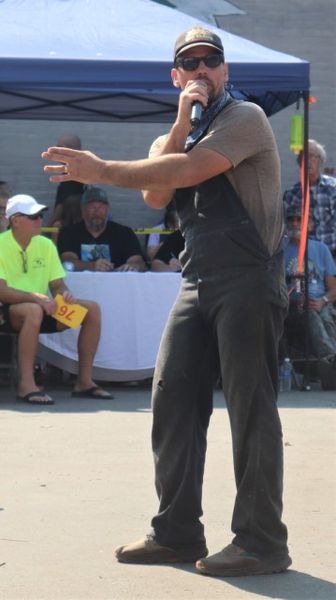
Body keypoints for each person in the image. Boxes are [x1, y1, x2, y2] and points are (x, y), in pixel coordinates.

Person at [42, 26, 291, 577]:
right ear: (175, 76)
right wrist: (181, 121)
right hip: (197, 278)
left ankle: (262, 540)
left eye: (211, 61)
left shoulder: (245, 119)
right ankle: (176, 532)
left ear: (226, 71)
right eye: (190, 63)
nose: (201, 69)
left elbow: (185, 173)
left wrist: (101, 171)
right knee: (172, 397)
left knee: (251, 409)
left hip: (249, 278)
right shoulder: (172, 136)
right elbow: (157, 190)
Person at [0, 194, 113, 405]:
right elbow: (2, 291)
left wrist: (65, 295)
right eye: (33, 216)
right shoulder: (0, 244)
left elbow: (57, 286)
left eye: (40, 215)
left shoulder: (46, 244)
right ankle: (27, 385)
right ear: (15, 220)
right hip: (8, 311)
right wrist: (37, 298)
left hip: (43, 308)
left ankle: (84, 382)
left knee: (92, 309)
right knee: (32, 310)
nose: (40, 220)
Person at [282, 206, 336, 375]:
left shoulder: (321, 249)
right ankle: (331, 358)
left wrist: (323, 301)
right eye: (291, 220)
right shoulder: (279, 252)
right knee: (310, 314)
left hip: (322, 303)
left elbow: (333, 288)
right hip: (292, 306)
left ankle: (331, 367)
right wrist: (292, 300)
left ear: (310, 225)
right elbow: (274, 288)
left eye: (300, 220)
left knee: (326, 319)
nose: (295, 224)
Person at [57, 186, 146, 272]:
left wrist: (132, 266)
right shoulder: (68, 233)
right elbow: (67, 261)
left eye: (101, 207)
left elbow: (138, 262)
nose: (97, 211)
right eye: (92, 207)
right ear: (83, 210)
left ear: (107, 210)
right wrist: (92, 266)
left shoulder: (125, 233)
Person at [283, 139, 336, 258]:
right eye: (303, 156)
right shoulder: (292, 194)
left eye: (311, 156)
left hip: (333, 254)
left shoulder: (333, 189)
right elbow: (286, 227)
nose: (307, 160)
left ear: (320, 160)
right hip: (306, 257)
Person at [48, 134, 85, 228]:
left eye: (60, 148)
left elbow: (61, 207)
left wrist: (46, 230)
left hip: (71, 228)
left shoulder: (73, 173)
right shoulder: (79, 169)